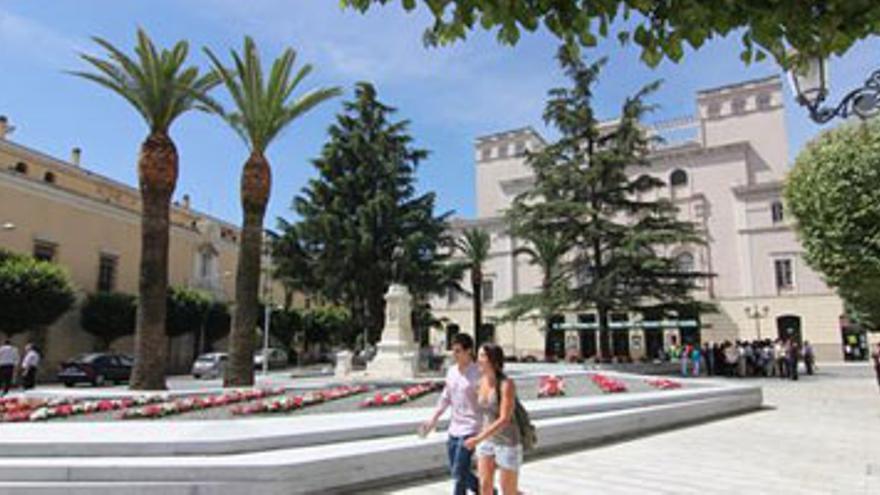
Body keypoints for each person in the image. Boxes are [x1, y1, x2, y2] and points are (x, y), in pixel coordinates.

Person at [423, 333, 482, 495]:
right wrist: (433, 419)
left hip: (472, 428)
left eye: (458, 351)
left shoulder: (478, 372)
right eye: (453, 351)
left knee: (458, 473)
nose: (454, 355)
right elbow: (445, 397)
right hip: (454, 428)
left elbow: (487, 401)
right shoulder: (452, 371)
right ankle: (485, 490)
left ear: (469, 351)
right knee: (457, 470)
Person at [465, 343, 521, 495]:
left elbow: (504, 418)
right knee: (484, 486)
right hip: (486, 441)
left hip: (507, 441)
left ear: (492, 359)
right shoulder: (480, 382)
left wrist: (477, 438)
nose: (478, 360)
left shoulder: (506, 384)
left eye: (482, 356)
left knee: (508, 490)